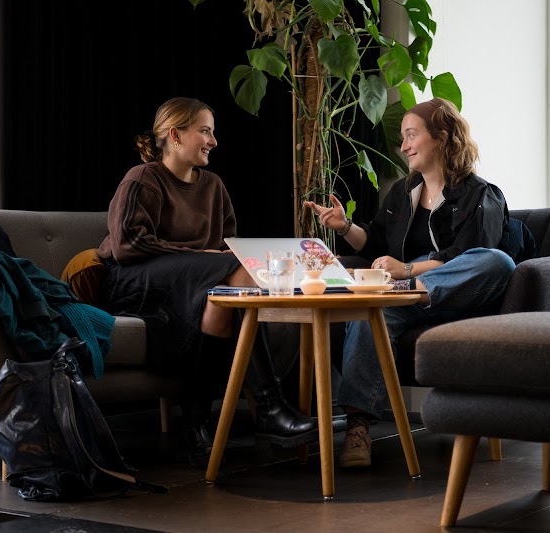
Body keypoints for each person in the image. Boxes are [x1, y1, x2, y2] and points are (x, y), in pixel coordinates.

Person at [97, 97, 318, 460]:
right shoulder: (142, 178)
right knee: (237, 271)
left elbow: (227, 245)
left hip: (196, 285)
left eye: (212, 133)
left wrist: (211, 261)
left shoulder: (213, 186)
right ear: (175, 135)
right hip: (133, 281)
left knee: (222, 297)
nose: (213, 141)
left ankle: (195, 422)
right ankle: (271, 407)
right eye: (204, 131)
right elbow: (127, 245)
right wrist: (204, 258)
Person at [303, 97, 517, 468]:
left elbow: (471, 257)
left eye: (412, 135)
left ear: (443, 137)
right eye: (403, 137)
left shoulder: (483, 195)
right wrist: (345, 226)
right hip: (405, 300)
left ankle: (403, 291)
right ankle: (358, 428)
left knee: (497, 262)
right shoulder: (403, 194)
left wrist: (407, 272)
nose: (403, 146)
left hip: (457, 296)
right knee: (371, 310)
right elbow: (376, 243)